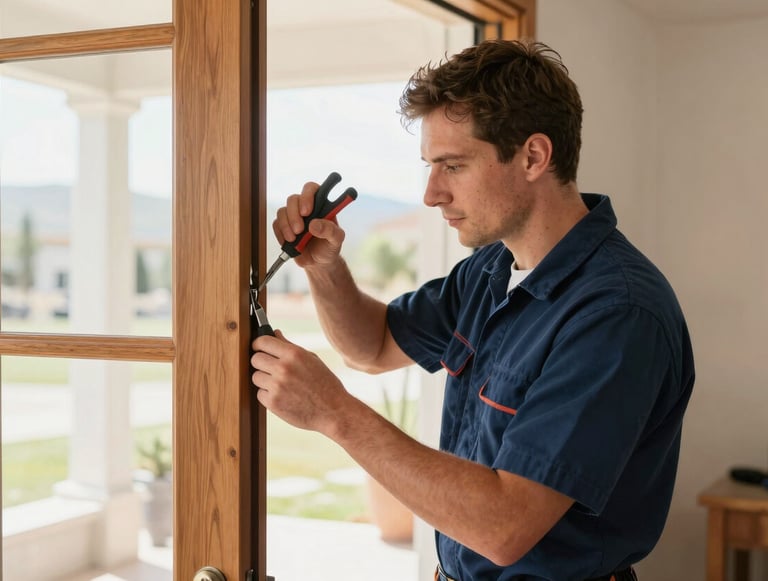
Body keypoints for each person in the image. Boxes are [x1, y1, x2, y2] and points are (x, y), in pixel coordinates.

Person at [251, 39, 695, 581]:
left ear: (534, 156)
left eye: (452, 165)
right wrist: (324, 268)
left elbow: (505, 527)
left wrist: (334, 413)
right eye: (429, 167)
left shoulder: (617, 313)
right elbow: (372, 347)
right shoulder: (488, 271)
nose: (431, 193)